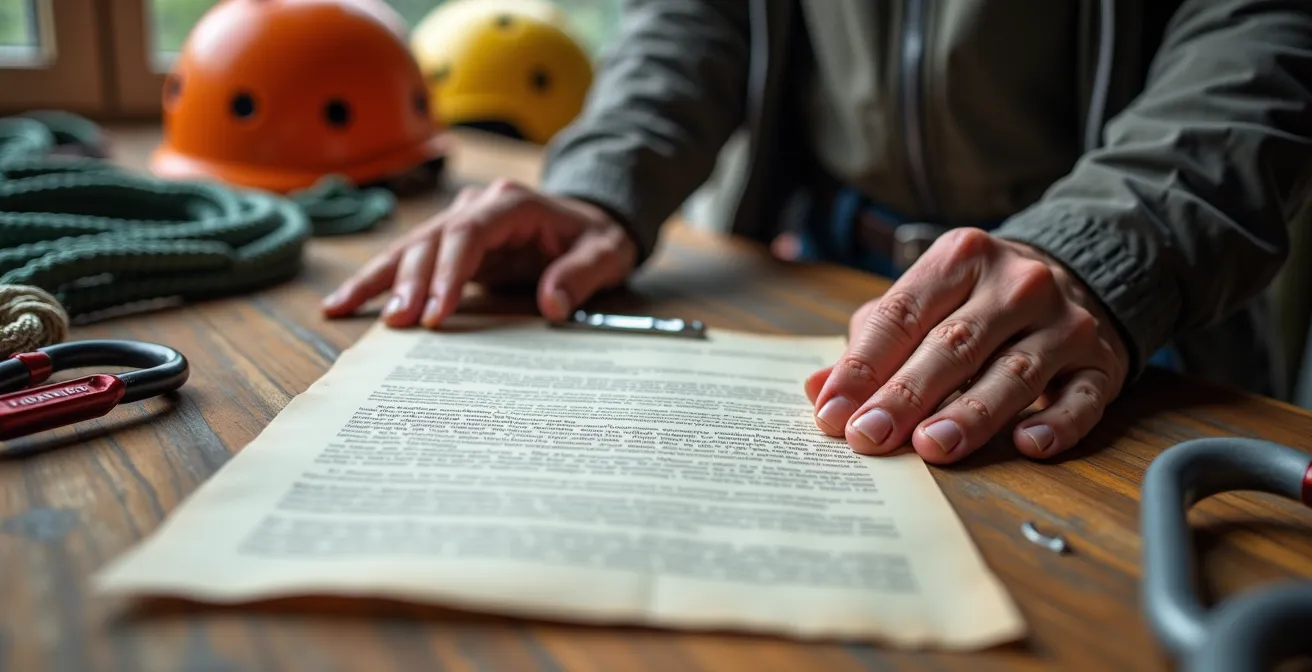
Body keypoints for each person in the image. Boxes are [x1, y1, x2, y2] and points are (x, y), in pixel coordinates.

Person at [321, 0, 1312, 465]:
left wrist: (1102, 247)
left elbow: (1268, 28)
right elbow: (697, 16)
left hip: (1128, 311)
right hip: (817, 264)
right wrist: (603, 184)